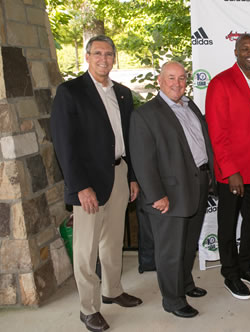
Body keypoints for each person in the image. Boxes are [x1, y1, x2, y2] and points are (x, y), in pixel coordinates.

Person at [50, 35, 142, 332]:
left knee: (113, 241)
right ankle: (88, 308)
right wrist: (79, 186)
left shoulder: (124, 94)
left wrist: (131, 177)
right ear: (87, 57)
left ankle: (113, 290)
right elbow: (64, 144)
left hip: (119, 173)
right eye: (98, 53)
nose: (104, 58)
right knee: (86, 249)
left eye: (109, 54)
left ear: (114, 58)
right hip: (87, 181)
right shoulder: (70, 92)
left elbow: (129, 140)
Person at [129, 61, 216, 319]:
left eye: (181, 78)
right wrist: (156, 195)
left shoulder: (189, 106)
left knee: (188, 244)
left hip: (198, 184)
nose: (177, 83)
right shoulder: (145, 114)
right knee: (170, 250)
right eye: (171, 78)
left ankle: (185, 284)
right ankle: (173, 299)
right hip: (169, 193)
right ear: (159, 80)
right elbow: (142, 160)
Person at [205, 33, 250, 300]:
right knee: (227, 224)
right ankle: (230, 274)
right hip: (233, 173)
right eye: (245, 48)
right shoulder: (220, 83)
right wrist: (229, 170)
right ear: (236, 52)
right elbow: (217, 132)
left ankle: (246, 267)